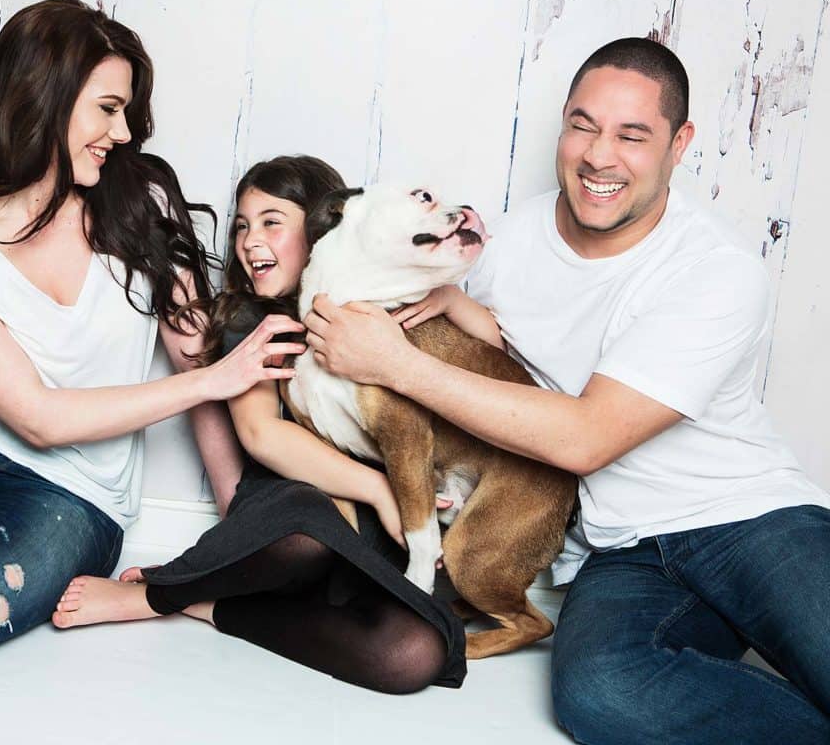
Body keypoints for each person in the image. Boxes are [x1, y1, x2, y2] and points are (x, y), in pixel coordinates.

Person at [304, 38, 830, 741]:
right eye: (583, 125)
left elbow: (587, 437)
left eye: (632, 135)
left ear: (681, 144)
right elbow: (494, 356)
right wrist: (453, 306)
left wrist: (393, 363)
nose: (599, 155)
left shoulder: (717, 270)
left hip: (752, 520)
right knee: (600, 692)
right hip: (622, 550)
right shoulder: (499, 244)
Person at [0, 0, 299, 659]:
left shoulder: (139, 201)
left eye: (126, 110)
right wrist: (216, 376)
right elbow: (37, 415)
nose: (122, 132)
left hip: (76, 489)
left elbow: (195, 364)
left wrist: (234, 517)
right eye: (106, 108)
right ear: (45, 97)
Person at [51, 155, 467, 694]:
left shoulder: (372, 310)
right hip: (291, 509)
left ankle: (213, 606)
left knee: (413, 654)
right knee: (303, 530)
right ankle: (158, 594)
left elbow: (470, 368)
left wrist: (452, 297)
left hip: (367, 524)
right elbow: (260, 436)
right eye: (243, 225)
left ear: (324, 229)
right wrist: (381, 490)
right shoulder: (254, 319)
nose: (250, 241)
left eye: (272, 221)